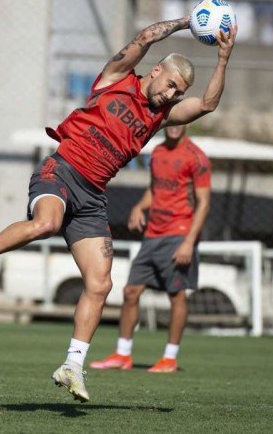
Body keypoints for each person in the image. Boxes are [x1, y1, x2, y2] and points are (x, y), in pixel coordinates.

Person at [0, 15, 237, 402]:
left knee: (101, 284)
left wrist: (223, 58)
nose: (171, 95)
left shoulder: (160, 117)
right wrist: (187, 21)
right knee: (46, 224)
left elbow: (209, 104)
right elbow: (146, 36)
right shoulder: (116, 78)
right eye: (170, 85)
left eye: (178, 92)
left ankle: (72, 366)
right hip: (62, 171)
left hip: (93, 196)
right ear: (155, 72)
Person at [89, 124, 210, 374]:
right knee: (131, 291)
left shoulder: (196, 157)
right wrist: (139, 207)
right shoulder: (156, 153)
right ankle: (122, 354)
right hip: (153, 234)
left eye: (180, 120)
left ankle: (170, 358)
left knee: (176, 295)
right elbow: (155, 190)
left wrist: (189, 241)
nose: (175, 126)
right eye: (171, 120)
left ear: (188, 122)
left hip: (179, 234)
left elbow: (204, 203)